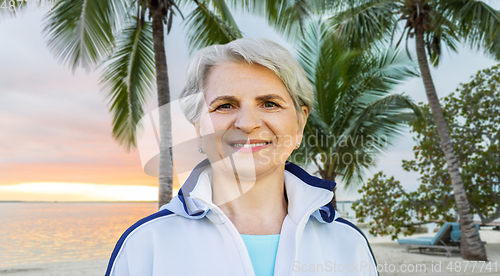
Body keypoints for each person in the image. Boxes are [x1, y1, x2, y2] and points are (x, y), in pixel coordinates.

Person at [105, 37, 378, 276]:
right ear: (198, 128)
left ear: (299, 124)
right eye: (225, 106)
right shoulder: (145, 245)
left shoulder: (347, 243)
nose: (247, 123)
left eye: (269, 104)